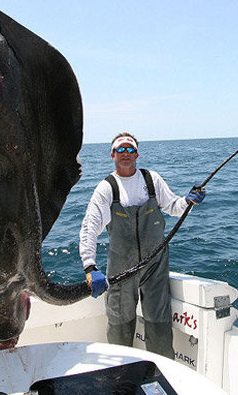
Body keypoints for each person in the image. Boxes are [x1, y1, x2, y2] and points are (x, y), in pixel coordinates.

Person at [79, 133, 206, 358]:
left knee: (159, 323)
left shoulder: (152, 180)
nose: (125, 154)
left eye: (130, 149)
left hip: (155, 267)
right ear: (112, 155)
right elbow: (90, 227)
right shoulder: (106, 188)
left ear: (137, 154)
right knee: (119, 328)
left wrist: (188, 201)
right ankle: (120, 377)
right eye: (121, 150)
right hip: (120, 270)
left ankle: (161, 373)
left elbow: (174, 207)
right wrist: (90, 266)